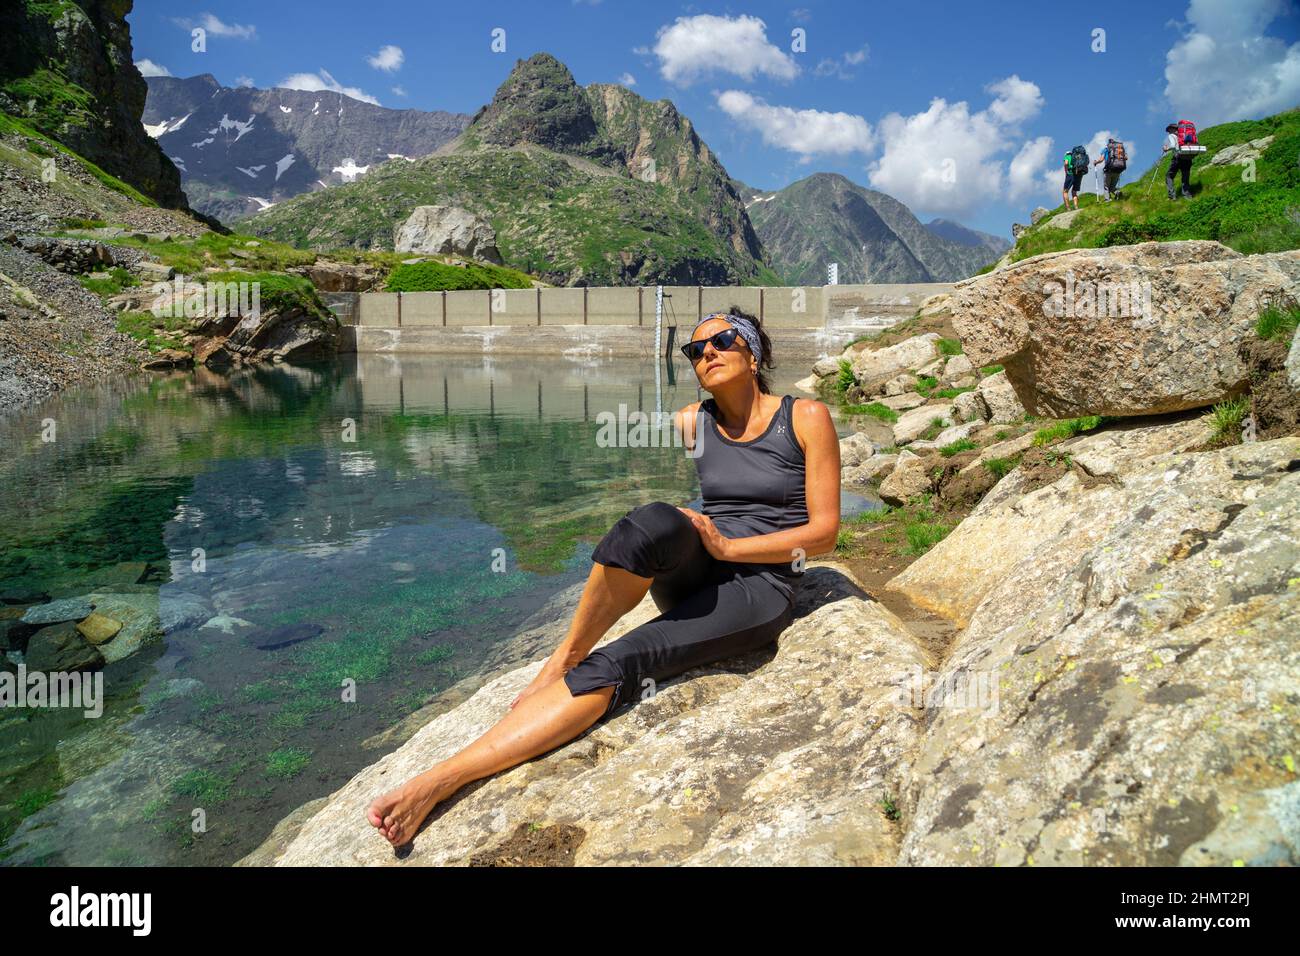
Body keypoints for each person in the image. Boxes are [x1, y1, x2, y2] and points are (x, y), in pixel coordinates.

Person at [365, 307, 842, 848]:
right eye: (694, 349)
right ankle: (565, 656)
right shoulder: (693, 422)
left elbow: (824, 533)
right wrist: (695, 534)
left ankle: (442, 778)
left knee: (621, 661)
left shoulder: (805, 417)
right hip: (700, 573)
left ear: (752, 354)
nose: (705, 354)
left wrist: (730, 544)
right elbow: (716, 501)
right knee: (649, 521)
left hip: (759, 588)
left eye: (721, 342)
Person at [1163, 123, 1193, 200]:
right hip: (1187, 157)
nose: (1168, 132)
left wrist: (1167, 148)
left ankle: (1172, 196)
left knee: (1169, 176)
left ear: (1171, 129)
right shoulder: (1183, 136)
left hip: (1178, 157)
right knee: (1185, 177)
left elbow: (1173, 146)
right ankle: (1187, 196)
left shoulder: (1171, 136)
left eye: (1169, 130)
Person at [1062, 145, 1087, 210]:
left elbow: (1066, 163)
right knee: (1074, 192)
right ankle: (1076, 206)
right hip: (1078, 174)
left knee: (1065, 191)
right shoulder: (1077, 157)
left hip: (1070, 174)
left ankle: (1068, 208)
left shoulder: (1067, 156)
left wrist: (1066, 171)